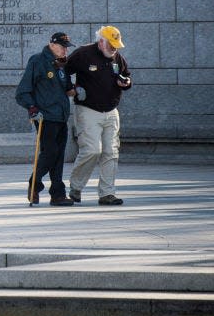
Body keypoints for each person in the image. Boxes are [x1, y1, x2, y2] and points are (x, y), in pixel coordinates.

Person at [65, 26, 132, 206]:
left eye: (116, 45)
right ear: (101, 41)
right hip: (88, 110)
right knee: (92, 150)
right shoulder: (83, 54)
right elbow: (63, 71)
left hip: (111, 110)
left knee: (111, 152)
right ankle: (75, 188)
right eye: (111, 45)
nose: (114, 48)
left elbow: (126, 75)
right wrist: (71, 89)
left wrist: (125, 83)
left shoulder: (117, 56)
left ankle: (107, 193)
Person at [15, 32, 77, 206]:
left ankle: (57, 194)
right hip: (45, 116)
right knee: (50, 153)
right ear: (52, 44)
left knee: (58, 156)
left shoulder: (61, 65)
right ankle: (34, 184)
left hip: (61, 116)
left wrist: (74, 89)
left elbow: (66, 88)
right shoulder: (38, 61)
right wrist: (32, 108)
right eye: (63, 47)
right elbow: (22, 91)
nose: (65, 50)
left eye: (67, 47)